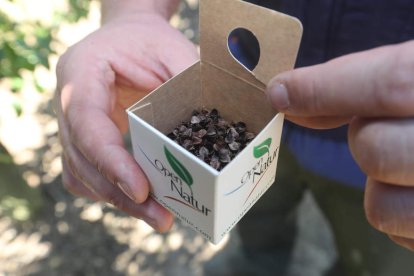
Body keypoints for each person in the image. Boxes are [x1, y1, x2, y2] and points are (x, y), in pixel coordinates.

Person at [55, 0, 414, 275]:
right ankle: (259, 260)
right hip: (244, 80)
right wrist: (133, 14)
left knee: (373, 254)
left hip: (383, 158)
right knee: (252, 213)